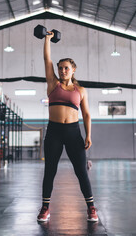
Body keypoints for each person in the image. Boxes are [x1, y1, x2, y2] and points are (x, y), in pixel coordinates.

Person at [37, 30, 98, 222]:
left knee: (81, 171)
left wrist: (88, 135)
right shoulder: (53, 83)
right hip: (54, 132)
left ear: (73, 70)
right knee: (50, 171)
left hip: (73, 132)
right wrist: (47, 39)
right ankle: (45, 208)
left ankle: (91, 208)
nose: (62, 71)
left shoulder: (81, 90)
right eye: (60, 68)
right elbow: (47, 59)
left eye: (66, 68)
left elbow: (87, 114)